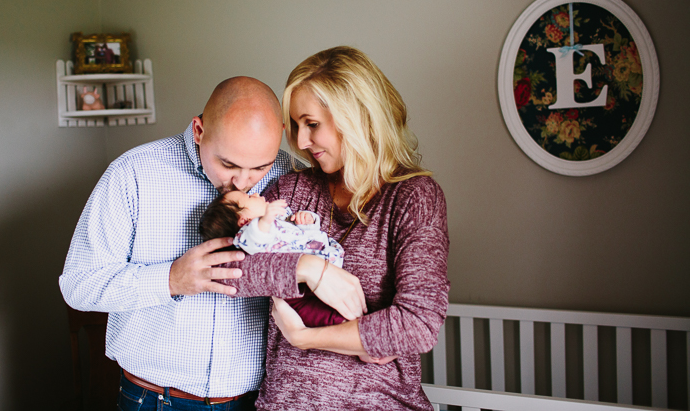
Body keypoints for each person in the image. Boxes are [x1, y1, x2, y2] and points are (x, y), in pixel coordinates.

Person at [60, 77, 325, 410]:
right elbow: (78, 285)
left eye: (260, 166)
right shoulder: (133, 173)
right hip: (155, 399)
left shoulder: (291, 175)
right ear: (199, 130)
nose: (243, 182)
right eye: (228, 164)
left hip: (257, 399)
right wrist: (170, 279)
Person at [221, 46, 450, 410]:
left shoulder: (413, 198)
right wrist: (307, 269)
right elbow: (228, 270)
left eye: (311, 124)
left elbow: (417, 324)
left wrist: (304, 338)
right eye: (296, 126)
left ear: (357, 117)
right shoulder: (290, 191)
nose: (300, 142)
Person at [200, 191, 345, 327]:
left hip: (324, 259)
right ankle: (340, 325)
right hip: (297, 285)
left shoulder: (279, 220)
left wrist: (307, 220)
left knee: (336, 299)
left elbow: (304, 235)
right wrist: (265, 220)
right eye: (250, 197)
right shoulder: (247, 237)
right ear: (244, 221)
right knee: (314, 312)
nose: (256, 194)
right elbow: (255, 238)